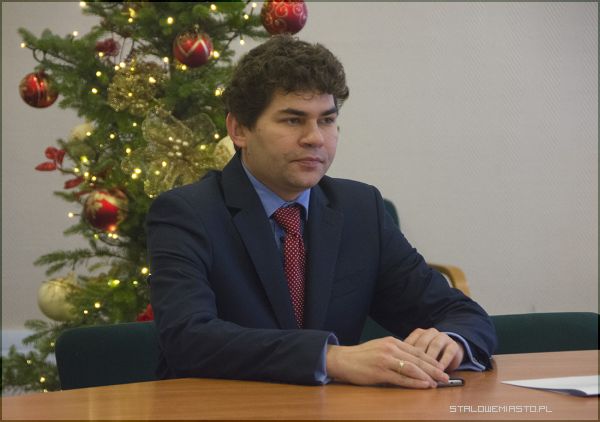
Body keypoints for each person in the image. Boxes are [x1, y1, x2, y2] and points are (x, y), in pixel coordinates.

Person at [146, 34, 497, 388]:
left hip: (334, 409)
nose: (315, 138)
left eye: (326, 120)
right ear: (239, 130)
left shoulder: (361, 208)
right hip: (222, 406)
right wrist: (330, 358)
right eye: (292, 120)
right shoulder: (187, 213)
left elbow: (462, 315)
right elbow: (188, 338)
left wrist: (450, 342)